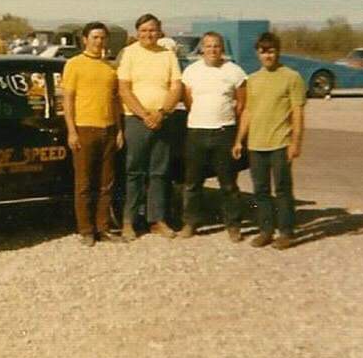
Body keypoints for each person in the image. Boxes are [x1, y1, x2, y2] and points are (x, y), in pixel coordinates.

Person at [232, 32, 305, 250]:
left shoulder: (291, 77)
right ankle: (266, 230)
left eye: (271, 51)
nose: (267, 56)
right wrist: (238, 141)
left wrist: (296, 143)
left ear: (278, 51)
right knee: (260, 190)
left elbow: (298, 113)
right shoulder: (253, 79)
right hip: (256, 145)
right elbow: (247, 112)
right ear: (258, 54)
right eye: (263, 51)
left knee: (282, 189)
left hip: (280, 144)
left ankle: (286, 232)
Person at [117, 14, 182, 241]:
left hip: (162, 119)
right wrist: (144, 114)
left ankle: (157, 220)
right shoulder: (130, 53)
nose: (148, 35)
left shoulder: (168, 55)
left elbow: (176, 88)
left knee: (160, 172)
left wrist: (161, 113)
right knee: (134, 171)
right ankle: (129, 222)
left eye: (152, 30)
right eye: (144, 31)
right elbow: (124, 89)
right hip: (136, 119)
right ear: (137, 32)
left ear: (160, 32)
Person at [179, 31, 247, 242]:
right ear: (202, 49)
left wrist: (227, 123)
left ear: (222, 49)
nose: (212, 50)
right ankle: (190, 223)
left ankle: (233, 225)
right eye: (208, 46)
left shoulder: (234, 71)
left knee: (228, 184)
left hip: (223, 131)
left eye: (216, 46)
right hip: (196, 131)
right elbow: (188, 100)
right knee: (192, 183)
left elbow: (241, 103)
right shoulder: (191, 71)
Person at [62, 22, 125, 246]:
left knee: (106, 183)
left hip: (108, 129)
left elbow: (115, 101)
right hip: (84, 129)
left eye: (102, 38)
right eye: (95, 37)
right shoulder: (74, 64)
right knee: (84, 183)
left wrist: (118, 130)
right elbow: (67, 100)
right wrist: (72, 131)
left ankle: (104, 228)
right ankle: (86, 230)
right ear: (85, 40)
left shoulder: (110, 68)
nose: (99, 42)